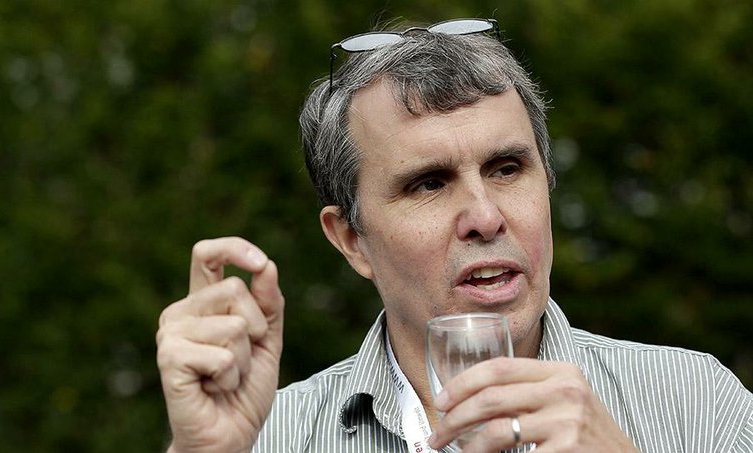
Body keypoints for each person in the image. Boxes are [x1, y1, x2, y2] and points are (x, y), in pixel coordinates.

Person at [155, 18, 753, 452]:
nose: (485, 216)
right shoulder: (269, 438)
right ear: (351, 240)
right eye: (429, 184)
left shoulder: (695, 404)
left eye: (507, 168)